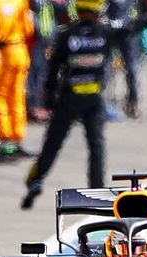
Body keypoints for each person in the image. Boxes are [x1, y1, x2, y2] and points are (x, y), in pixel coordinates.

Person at [21, 0, 110, 209]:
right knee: (96, 146)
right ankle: (97, 190)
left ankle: (36, 180)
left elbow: (53, 69)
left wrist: (49, 99)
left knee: (53, 143)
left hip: (69, 97)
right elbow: (130, 28)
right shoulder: (104, 33)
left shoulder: (67, 34)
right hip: (93, 98)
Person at [0, 0, 33, 156]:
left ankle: (6, 138)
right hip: (20, 50)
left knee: (0, 97)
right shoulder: (21, 2)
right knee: (17, 97)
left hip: (2, 52)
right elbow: (29, 29)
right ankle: (17, 136)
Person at [107, 0, 139, 118]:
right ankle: (102, 102)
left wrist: (133, 23)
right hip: (109, 33)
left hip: (127, 34)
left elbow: (138, 14)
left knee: (131, 69)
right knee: (105, 69)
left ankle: (133, 102)